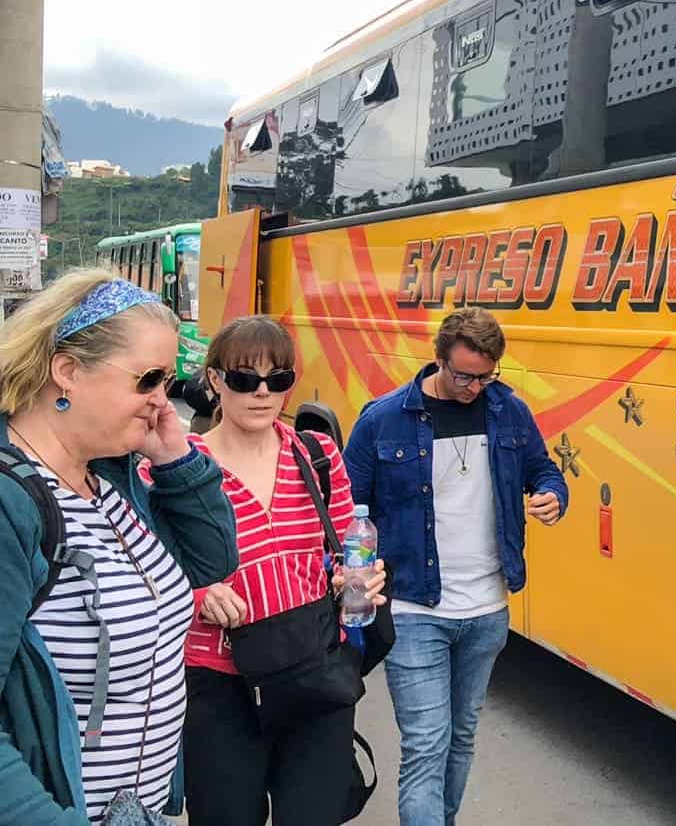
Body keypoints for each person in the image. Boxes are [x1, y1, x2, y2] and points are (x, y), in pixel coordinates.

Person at [0, 270, 238, 824]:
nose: (163, 402)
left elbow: (211, 562)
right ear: (68, 372)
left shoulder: (108, 479)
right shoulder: (13, 503)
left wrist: (175, 458)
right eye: (148, 380)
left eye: (168, 382)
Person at [344, 307, 568, 826]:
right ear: (439, 359)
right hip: (414, 609)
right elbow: (346, 508)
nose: (474, 387)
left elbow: (544, 471)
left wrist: (553, 497)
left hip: (488, 609)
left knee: (461, 737)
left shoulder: (508, 411)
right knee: (427, 743)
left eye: (486, 376)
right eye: (463, 375)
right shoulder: (383, 420)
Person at [180, 315, 388, 826]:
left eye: (278, 380)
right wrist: (199, 594)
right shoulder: (179, 468)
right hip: (219, 684)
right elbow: (149, 571)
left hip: (313, 670)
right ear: (214, 381)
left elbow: (343, 546)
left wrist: (353, 580)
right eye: (244, 379)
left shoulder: (316, 454)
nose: (261, 393)